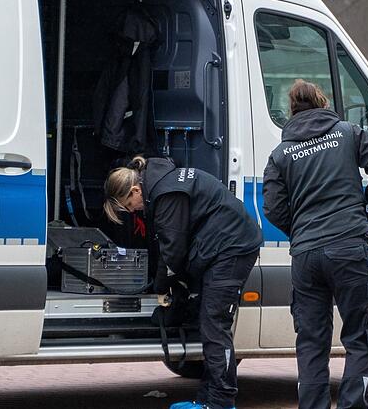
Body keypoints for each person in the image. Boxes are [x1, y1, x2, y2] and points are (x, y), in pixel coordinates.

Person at [262, 79, 368, 409]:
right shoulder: (348, 133)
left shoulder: (280, 154)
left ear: (292, 110)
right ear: (323, 103)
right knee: (361, 336)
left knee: (311, 341)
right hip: (348, 246)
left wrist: (300, 230)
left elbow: (273, 208)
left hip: (306, 256)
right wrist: (366, 205)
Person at [104, 156, 262, 409]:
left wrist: (160, 287)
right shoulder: (163, 183)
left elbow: (172, 251)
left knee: (214, 324)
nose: (134, 211)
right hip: (224, 245)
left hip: (231, 248)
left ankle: (221, 402)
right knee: (208, 322)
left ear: (135, 191)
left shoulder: (167, 194)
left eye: (130, 206)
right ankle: (207, 400)